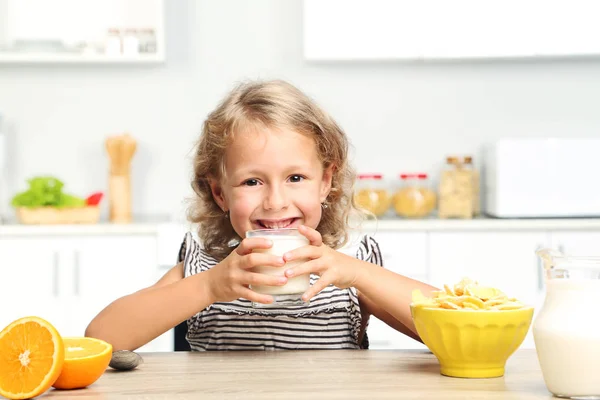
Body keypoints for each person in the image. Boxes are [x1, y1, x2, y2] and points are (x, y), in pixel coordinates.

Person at [85, 79, 437, 351]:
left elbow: (455, 327)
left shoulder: (348, 267)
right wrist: (209, 286)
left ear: (325, 182)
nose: (275, 201)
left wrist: (358, 274)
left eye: (295, 178)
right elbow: (102, 339)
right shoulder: (207, 268)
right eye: (252, 181)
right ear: (220, 193)